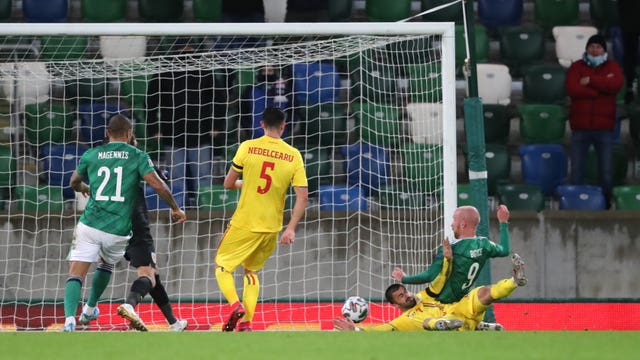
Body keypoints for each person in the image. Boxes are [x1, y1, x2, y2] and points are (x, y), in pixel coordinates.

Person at [62, 115, 187, 332]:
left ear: (107, 133)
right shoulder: (137, 156)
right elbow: (159, 186)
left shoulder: (92, 154)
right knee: (112, 265)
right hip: (119, 228)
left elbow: (73, 181)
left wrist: (84, 188)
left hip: (89, 224)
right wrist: (175, 208)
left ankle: (69, 321)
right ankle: (97, 307)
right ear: (129, 134)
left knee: (76, 273)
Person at [215, 107, 308, 332]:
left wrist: (243, 184)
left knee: (222, 267)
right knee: (251, 272)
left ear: (261, 124)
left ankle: (236, 305)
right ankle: (246, 323)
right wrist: (291, 229)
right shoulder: (293, 154)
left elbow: (228, 184)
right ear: (284, 126)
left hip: (245, 222)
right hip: (271, 227)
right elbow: (303, 196)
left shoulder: (248, 147)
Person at [333, 251, 528, 332]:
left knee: (482, 292)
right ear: (395, 304)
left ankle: (514, 280)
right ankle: (458, 325)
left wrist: (447, 260)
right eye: (401, 296)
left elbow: (440, 279)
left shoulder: (424, 296)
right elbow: (382, 329)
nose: (407, 295)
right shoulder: (404, 320)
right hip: (450, 328)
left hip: (460, 313)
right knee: (426, 322)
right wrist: (357, 329)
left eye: (405, 291)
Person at [146, 38, 224, 207]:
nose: (187, 51)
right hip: (172, 133)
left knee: (202, 177)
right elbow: (151, 100)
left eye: (190, 48)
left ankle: (204, 209)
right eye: (184, 48)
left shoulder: (203, 70)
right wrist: (153, 127)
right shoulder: (165, 70)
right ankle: (177, 208)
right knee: (176, 177)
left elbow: (219, 98)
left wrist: (217, 124)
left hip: (200, 132)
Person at [392, 205, 511, 304]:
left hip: (440, 304)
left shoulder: (450, 249)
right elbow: (505, 250)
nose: (451, 224)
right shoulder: (485, 244)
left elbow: (429, 276)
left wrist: (404, 278)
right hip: (463, 301)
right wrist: (503, 222)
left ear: (463, 224)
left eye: (454, 220)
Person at [565, 34, 623, 208]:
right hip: (580, 128)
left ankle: (605, 205)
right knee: (577, 170)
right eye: (592, 47)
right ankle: (575, 204)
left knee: (606, 171)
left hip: (603, 128)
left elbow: (616, 85)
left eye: (598, 47)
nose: (595, 50)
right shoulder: (576, 67)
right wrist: (600, 90)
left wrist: (590, 81)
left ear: (604, 50)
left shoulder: (613, 66)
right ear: (587, 49)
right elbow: (572, 89)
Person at [617, 0, 640, 104]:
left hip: (628, 13)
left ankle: (629, 88)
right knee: (630, 52)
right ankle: (629, 87)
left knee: (629, 52)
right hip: (629, 13)